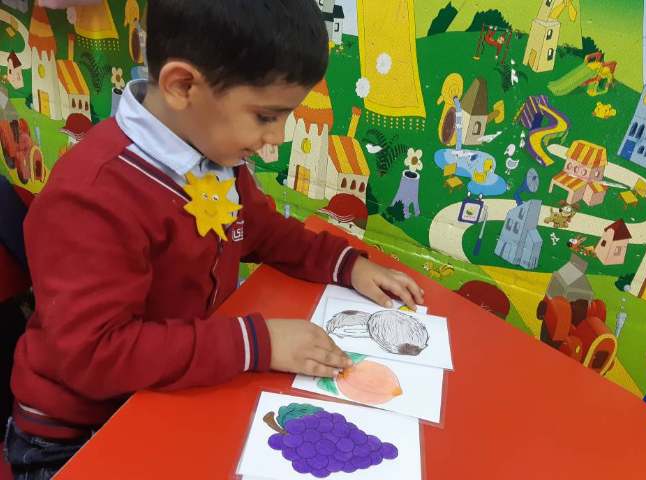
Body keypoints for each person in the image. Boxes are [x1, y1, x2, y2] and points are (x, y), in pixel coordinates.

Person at [3, 1, 423, 478]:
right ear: (183, 86)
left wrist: (346, 264)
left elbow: (264, 232)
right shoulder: (92, 198)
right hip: (76, 436)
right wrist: (257, 342)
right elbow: (96, 356)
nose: (278, 137)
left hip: (167, 393)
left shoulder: (211, 153)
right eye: (265, 116)